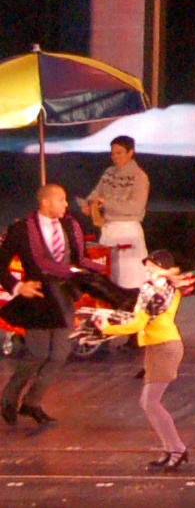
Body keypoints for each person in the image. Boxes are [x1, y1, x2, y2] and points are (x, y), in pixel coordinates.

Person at [0, 183, 96, 426]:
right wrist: (17, 287)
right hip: (39, 299)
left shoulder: (70, 225)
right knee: (38, 354)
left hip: (63, 297)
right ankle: (9, 397)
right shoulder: (21, 229)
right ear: (45, 202)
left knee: (60, 354)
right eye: (61, 199)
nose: (66, 204)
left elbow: (80, 260)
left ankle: (32, 403)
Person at [93, 248, 188, 470]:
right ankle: (171, 449)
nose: (147, 269)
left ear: (163, 269)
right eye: (147, 266)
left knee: (150, 402)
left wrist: (107, 328)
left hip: (164, 347)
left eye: (152, 267)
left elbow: (137, 324)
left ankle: (177, 449)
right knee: (148, 402)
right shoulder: (169, 289)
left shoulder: (152, 294)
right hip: (158, 347)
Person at [82, 136, 150, 290]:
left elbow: (136, 208)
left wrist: (106, 203)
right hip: (108, 229)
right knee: (108, 277)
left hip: (127, 230)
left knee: (130, 278)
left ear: (130, 152)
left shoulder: (139, 176)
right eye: (113, 153)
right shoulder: (109, 173)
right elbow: (96, 193)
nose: (115, 157)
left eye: (119, 153)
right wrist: (89, 204)